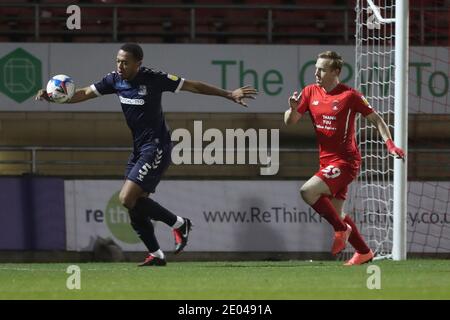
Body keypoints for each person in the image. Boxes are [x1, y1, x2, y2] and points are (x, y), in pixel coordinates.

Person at [36, 43, 257, 267]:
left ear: (138, 63)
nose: (120, 66)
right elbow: (82, 93)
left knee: (126, 198)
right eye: (118, 61)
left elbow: (193, 86)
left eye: (125, 62)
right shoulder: (114, 80)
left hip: (157, 146)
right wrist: (55, 97)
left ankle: (179, 224)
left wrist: (229, 94)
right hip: (139, 148)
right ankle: (157, 254)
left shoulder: (154, 79)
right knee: (134, 205)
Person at [284, 51, 405, 265]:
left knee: (307, 191)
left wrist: (390, 144)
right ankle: (364, 252)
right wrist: (292, 109)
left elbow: (376, 119)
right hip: (326, 161)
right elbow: (290, 121)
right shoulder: (310, 92)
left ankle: (342, 230)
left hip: (346, 162)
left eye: (322, 69)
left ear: (336, 71)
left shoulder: (349, 95)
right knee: (337, 213)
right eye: (316, 68)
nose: (316, 73)